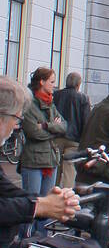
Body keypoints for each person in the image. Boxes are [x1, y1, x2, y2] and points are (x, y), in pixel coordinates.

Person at [0, 77, 80, 228]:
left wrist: (47, 202)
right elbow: (34, 132)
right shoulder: (36, 107)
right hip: (35, 159)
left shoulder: (52, 103)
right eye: (17, 118)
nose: (16, 125)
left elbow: (4, 187)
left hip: (47, 157)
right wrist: (39, 206)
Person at [19, 67, 67, 196]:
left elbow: (64, 126)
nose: (54, 85)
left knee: (48, 205)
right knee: (32, 203)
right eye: (51, 82)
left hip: (51, 160)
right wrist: (54, 128)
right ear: (42, 82)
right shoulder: (29, 104)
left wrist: (45, 126)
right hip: (33, 161)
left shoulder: (51, 104)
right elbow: (34, 132)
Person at [53, 72, 91, 189]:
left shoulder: (56, 95)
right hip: (74, 139)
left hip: (57, 136)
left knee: (55, 168)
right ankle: (67, 196)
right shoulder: (83, 98)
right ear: (79, 84)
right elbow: (86, 121)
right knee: (70, 170)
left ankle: (54, 193)